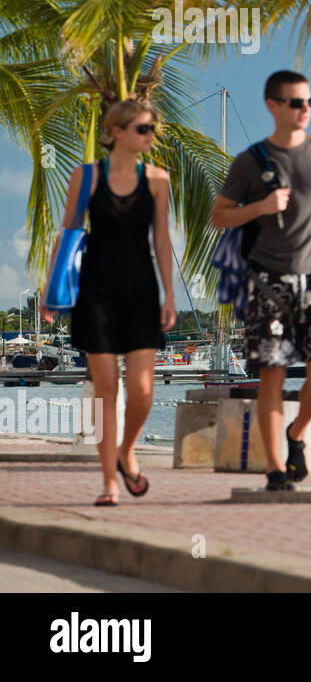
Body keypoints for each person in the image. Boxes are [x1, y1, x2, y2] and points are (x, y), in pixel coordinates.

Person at [211, 71, 311, 491]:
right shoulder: (251, 161)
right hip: (266, 283)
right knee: (272, 376)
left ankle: (297, 433)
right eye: (296, 102)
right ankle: (276, 470)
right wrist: (258, 206)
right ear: (272, 105)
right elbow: (219, 214)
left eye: (309, 101)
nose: (305, 110)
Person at [41, 100, 176, 506]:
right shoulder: (85, 177)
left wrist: (170, 294)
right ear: (117, 131)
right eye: (142, 129)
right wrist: (51, 290)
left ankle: (126, 450)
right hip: (95, 294)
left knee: (142, 389)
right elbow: (67, 235)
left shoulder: (157, 180)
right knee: (105, 390)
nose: (149, 136)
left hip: (140, 292)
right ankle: (109, 484)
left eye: (151, 129)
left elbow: (162, 240)